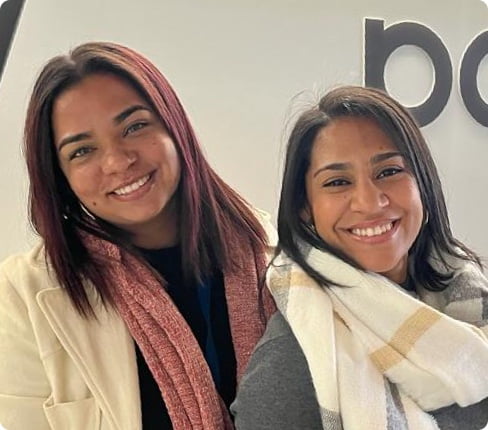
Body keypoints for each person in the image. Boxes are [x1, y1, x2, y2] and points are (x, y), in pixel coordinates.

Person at [0, 41, 276, 430]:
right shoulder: (24, 293)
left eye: (134, 126)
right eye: (82, 151)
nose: (117, 161)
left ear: (174, 125)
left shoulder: (270, 252)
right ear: (59, 176)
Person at [231, 86, 488, 430]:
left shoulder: (469, 301)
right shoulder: (293, 358)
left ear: (422, 183)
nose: (369, 202)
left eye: (388, 172)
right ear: (306, 208)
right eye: (338, 182)